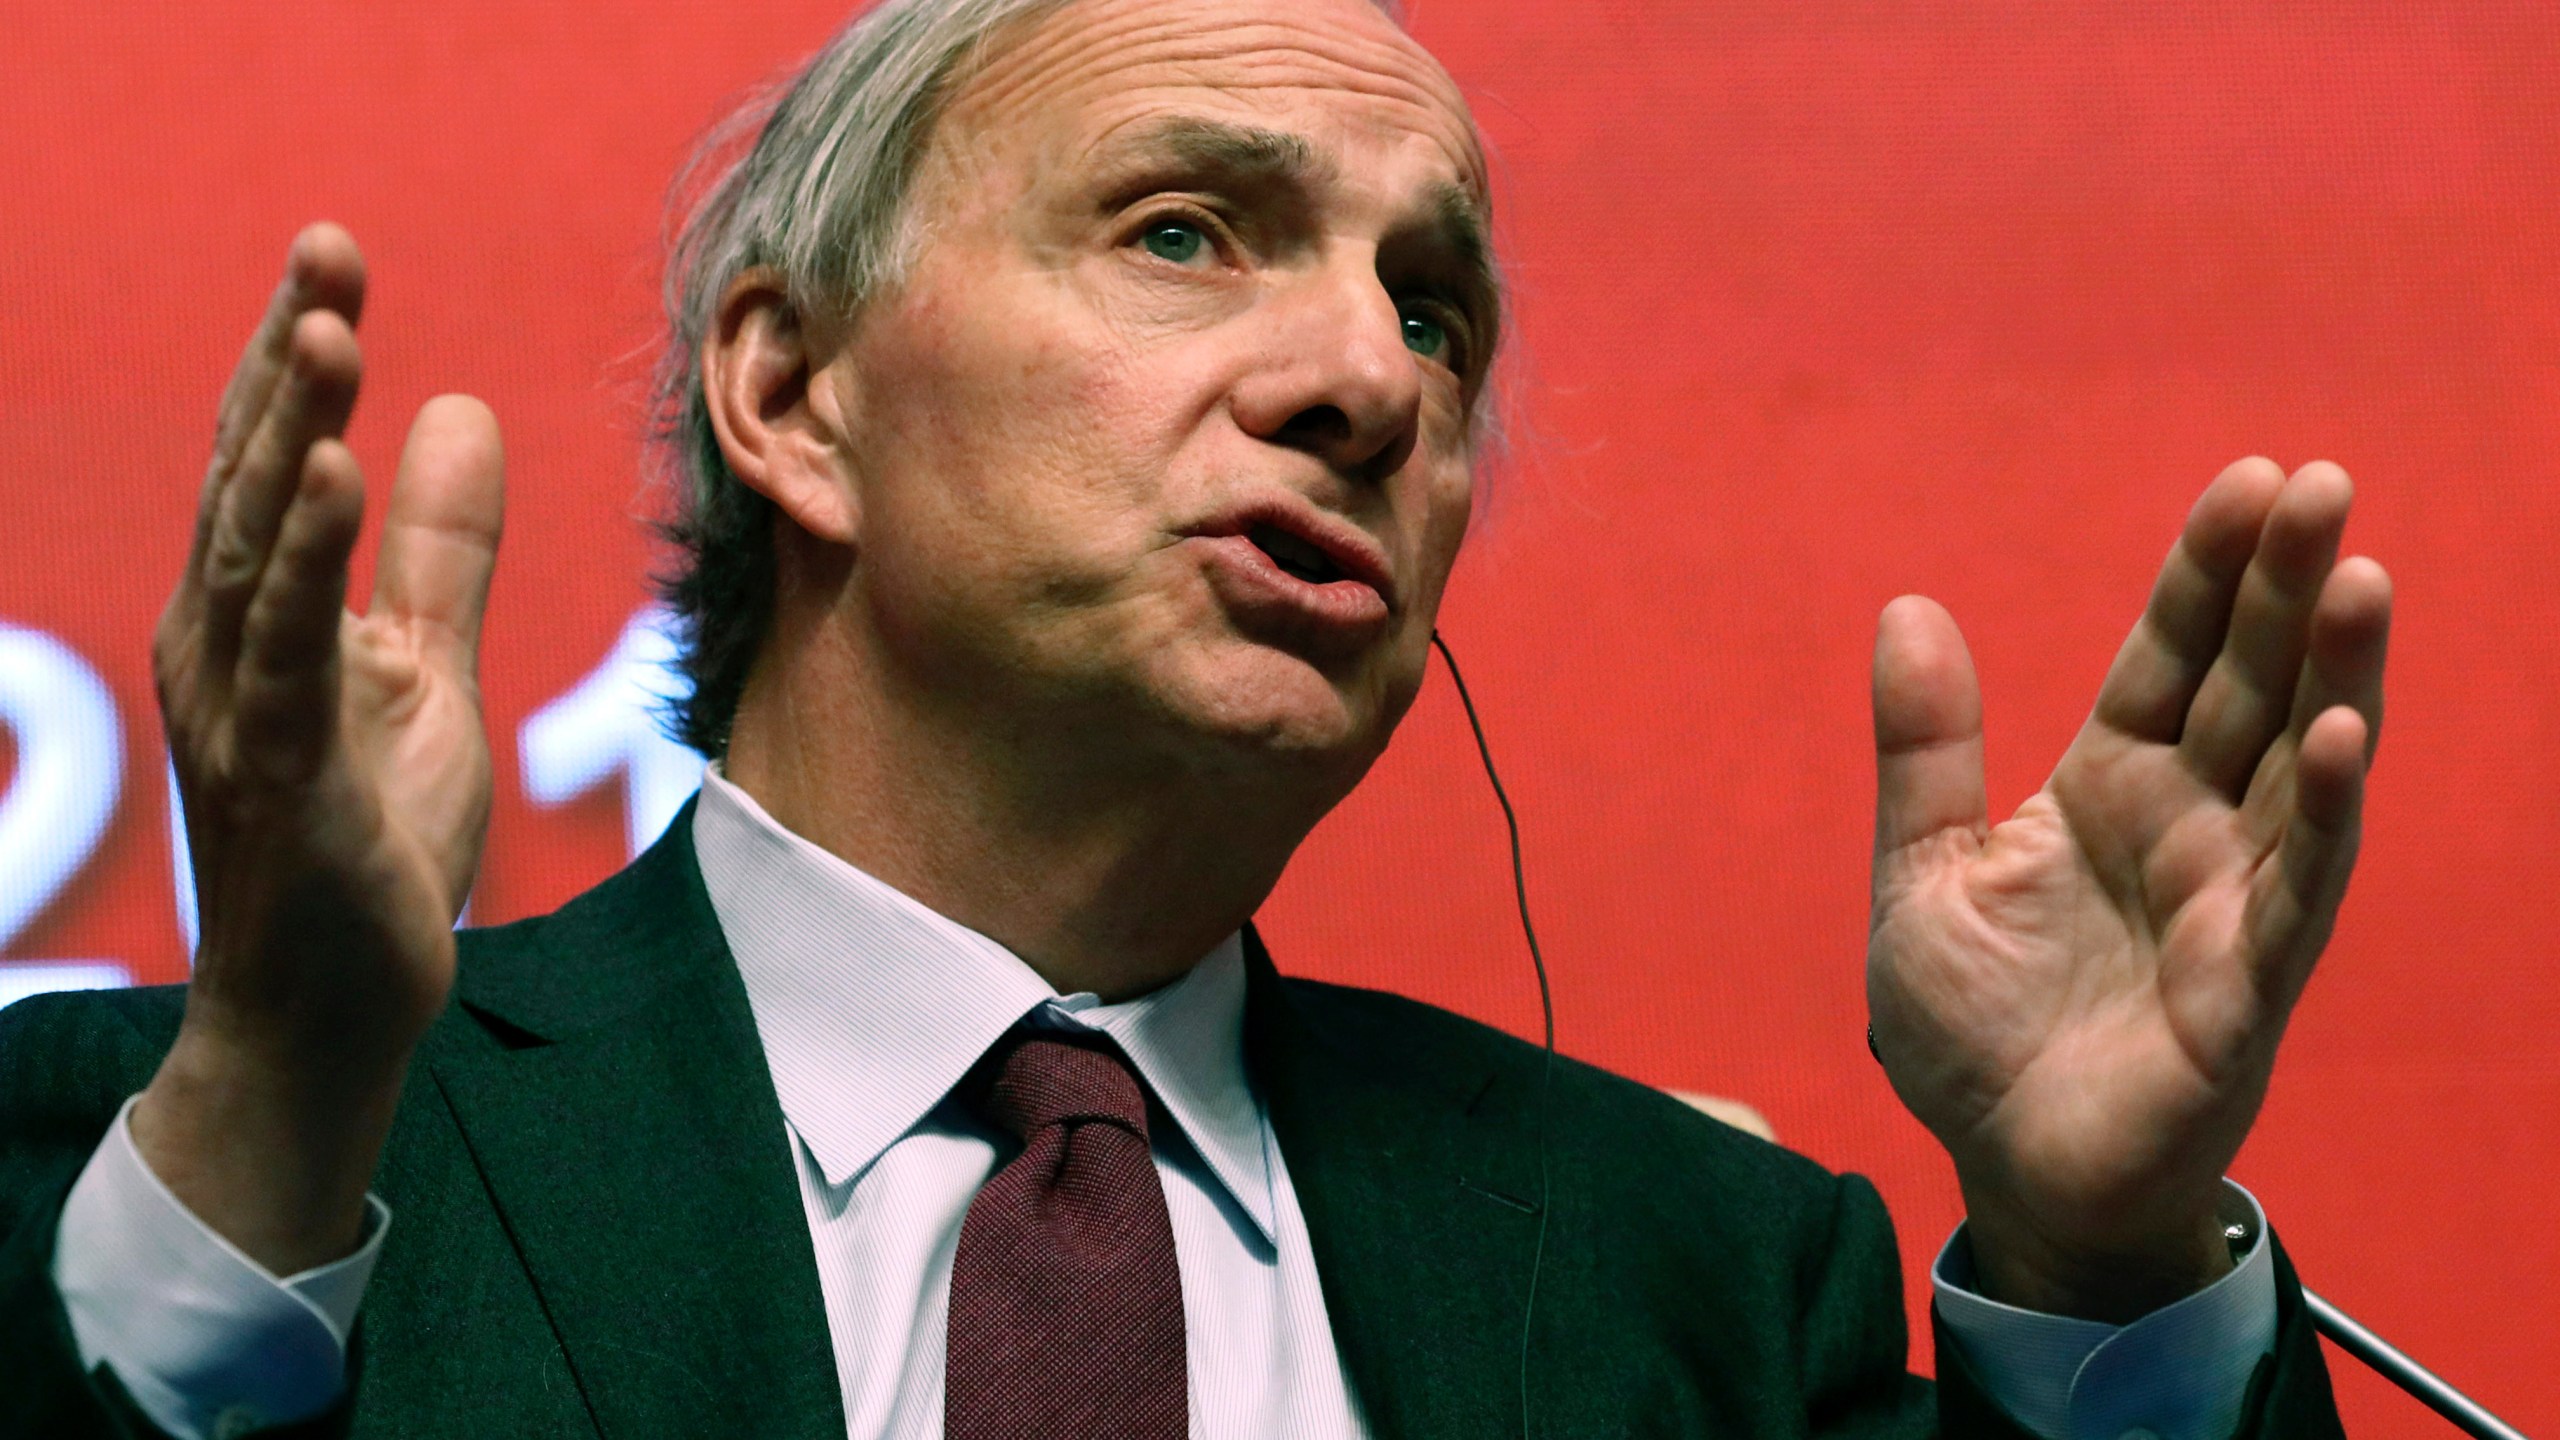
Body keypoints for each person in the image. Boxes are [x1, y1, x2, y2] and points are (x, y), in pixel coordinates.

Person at [0, 0, 2390, 1434]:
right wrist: (277, 1094)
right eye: (1180, 231)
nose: (1368, 377)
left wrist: (2102, 1258)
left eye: (1430, 308)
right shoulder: (202, 1157)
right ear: (792, 392)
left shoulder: (1691, 1276)